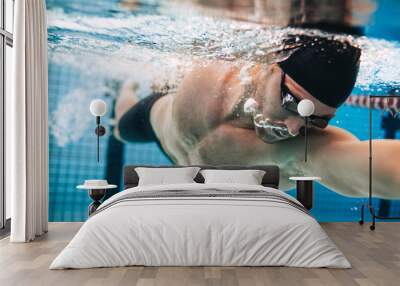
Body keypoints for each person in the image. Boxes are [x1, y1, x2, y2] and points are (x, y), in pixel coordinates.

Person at [114, 35, 400, 198]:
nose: (293, 128)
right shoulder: (217, 61)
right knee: (119, 126)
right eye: (291, 101)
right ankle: (124, 86)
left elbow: (368, 164)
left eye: (316, 119)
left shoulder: (300, 150)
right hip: (158, 122)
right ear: (269, 66)